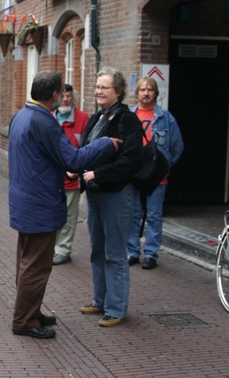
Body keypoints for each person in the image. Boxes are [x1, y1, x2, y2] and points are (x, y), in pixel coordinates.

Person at [8, 71, 118, 339]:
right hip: (40, 204)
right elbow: (74, 159)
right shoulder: (44, 121)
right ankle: (25, 321)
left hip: (25, 200)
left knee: (27, 262)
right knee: (36, 266)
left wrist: (59, 168)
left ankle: (31, 312)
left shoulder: (21, 116)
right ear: (55, 95)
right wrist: (107, 143)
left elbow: (38, 157)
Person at [78, 67, 144, 328]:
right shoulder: (96, 118)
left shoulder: (128, 121)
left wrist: (98, 173)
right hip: (95, 195)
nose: (98, 91)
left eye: (104, 87)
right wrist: (79, 169)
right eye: (97, 86)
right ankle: (100, 301)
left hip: (117, 195)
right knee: (97, 250)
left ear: (118, 91)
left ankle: (117, 309)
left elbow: (131, 160)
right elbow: (86, 151)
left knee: (115, 253)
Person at [127, 77, 184, 270]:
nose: (146, 93)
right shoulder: (130, 115)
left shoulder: (165, 117)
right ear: (137, 93)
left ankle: (151, 254)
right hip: (134, 173)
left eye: (150, 89)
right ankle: (132, 251)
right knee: (133, 213)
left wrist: (164, 166)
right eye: (142, 89)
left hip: (156, 176)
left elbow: (177, 146)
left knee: (154, 215)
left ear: (156, 93)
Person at [52, 84, 89, 266]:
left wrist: (78, 169)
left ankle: (63, 250)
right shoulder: (49, 118)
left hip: (72, 179)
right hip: (52, 179)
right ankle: (52, 248)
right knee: (52, 214)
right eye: (62, 96)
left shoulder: (83, 119)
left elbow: (87, 148)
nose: (65, 99)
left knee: (69, 216)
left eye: (68, 95)